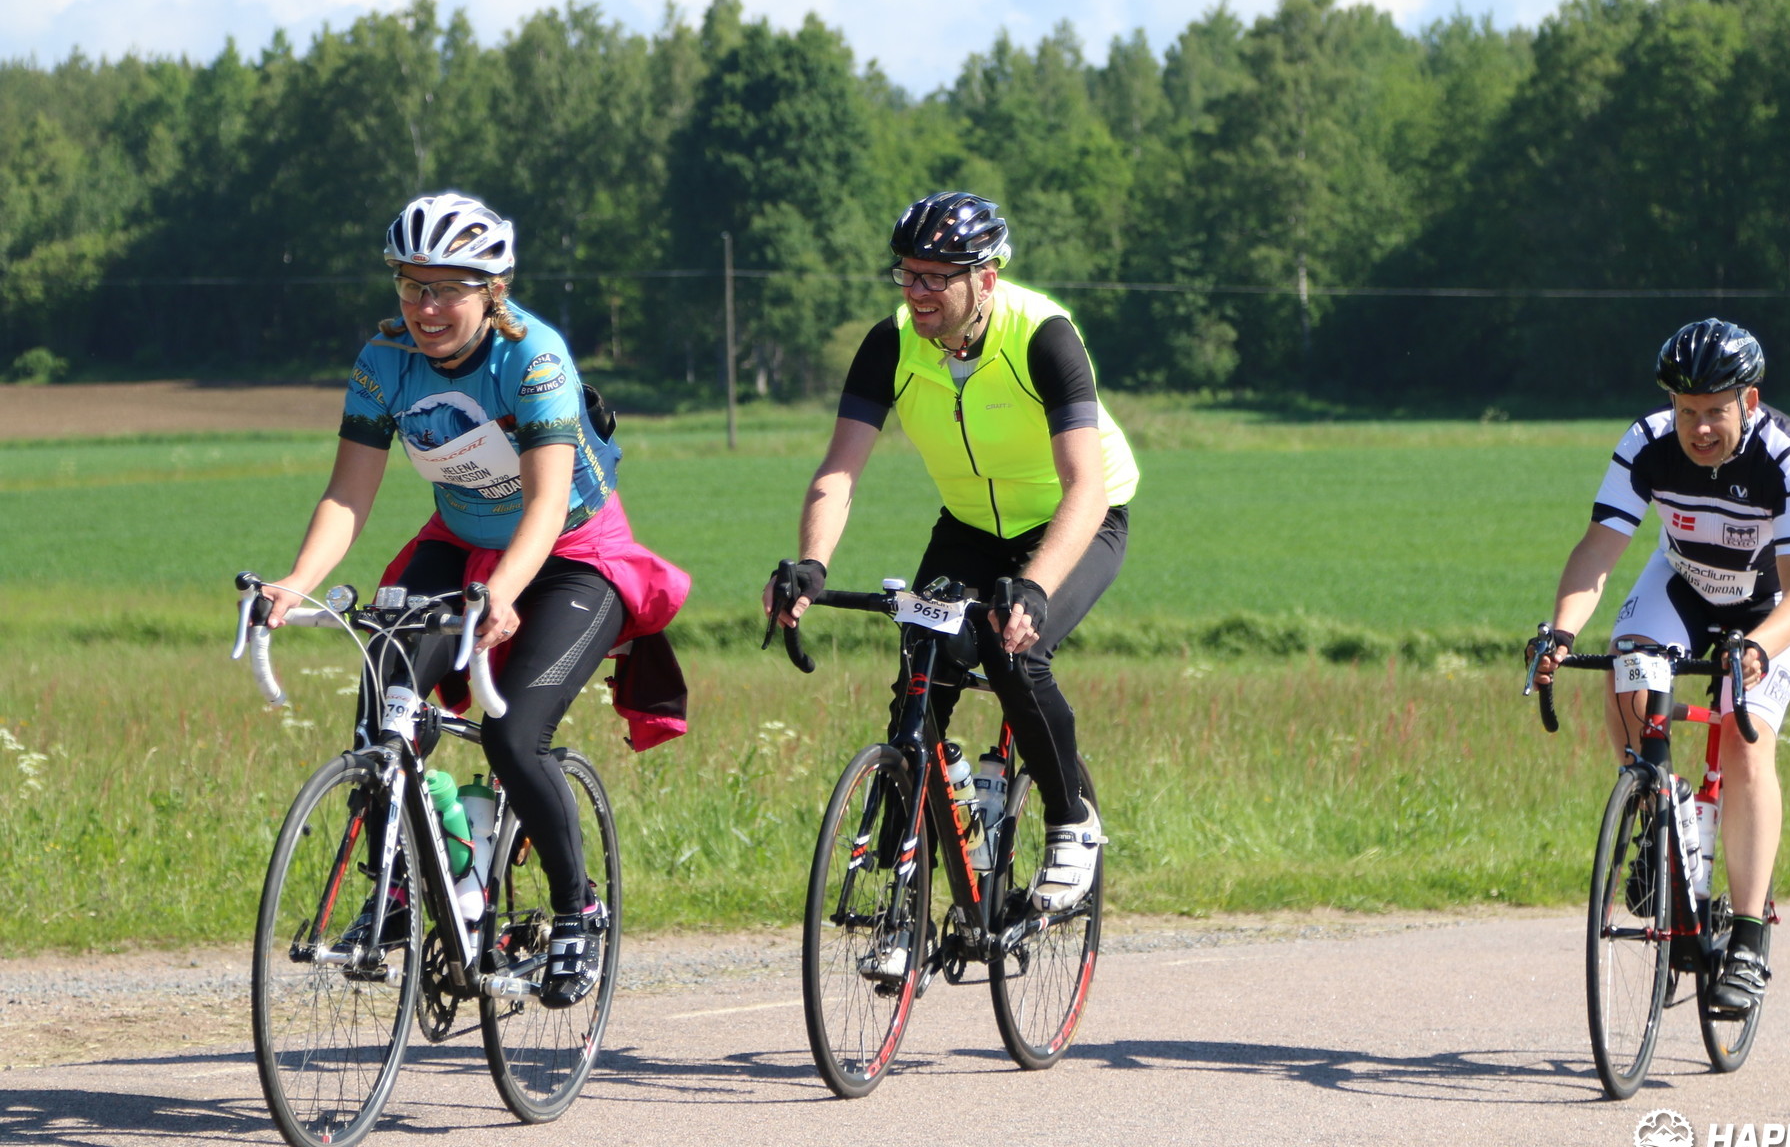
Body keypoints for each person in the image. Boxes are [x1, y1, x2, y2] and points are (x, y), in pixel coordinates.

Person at [265, 192, 687, 1008]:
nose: (424, 307)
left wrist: (505, 590)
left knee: (514, 733)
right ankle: (404, 883)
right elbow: (348, 494)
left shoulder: (533, 358)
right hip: (457, 544)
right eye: (410, 286)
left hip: (570, 554)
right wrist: (296, 580)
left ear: (492, 290)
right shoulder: (384, 359)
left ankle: (577, 910)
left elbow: (547, 503)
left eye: (446, 289)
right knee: (384, 693)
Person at [766, 191, 1139, 933]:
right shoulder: (892, 344)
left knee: (1012, 651)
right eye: (908, 273)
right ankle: (920, 857)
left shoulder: (1043, 336)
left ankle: (1072, 821)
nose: (918, 291)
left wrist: (1034, 587)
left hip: (1074, 520)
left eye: (937, 277)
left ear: (986, 279)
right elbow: (839, 469)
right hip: (970, 526)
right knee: (922, 662)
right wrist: (811, 564)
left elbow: (1086, 486)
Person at [1531, 318, 1790, 1016]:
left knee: (1745, 738)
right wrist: (1561, 632)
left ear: (1748, 402)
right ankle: (1662, 817)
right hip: (1684, 583)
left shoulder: (1785, 457)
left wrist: (1758, 648)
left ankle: (1748, 937)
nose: (1699, 429)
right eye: (1686, 411)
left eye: (1714, 412)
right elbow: (1598, 548)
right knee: (1627, 669)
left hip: (1770, 606)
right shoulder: (1647, 441)